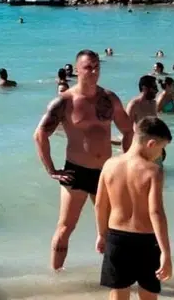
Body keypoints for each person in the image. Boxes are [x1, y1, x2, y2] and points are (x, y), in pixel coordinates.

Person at [35, 50, 135, 271]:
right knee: (65, 228)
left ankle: (114, 278)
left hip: (105, 173)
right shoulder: (65, 101)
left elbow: (128, 130)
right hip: (76, 172)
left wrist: (127, 162)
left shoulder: (109, 98)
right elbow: (40, 134)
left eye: (97, 66)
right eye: (88, 67)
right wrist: (51, 170)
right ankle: (56, 278)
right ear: (77, 70)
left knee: (113, 229)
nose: (94, 71)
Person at [95, 117, 174, 299]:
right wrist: (165, 252)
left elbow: (100, 205)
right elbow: (156, 212)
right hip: (146, 241)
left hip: (116, 238)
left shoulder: (109, 165)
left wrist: (101, 234)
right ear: (151, 144)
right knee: (148, 293)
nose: (160, 154)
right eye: (162, 148)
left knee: (118, 292)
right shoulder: (153, 171)